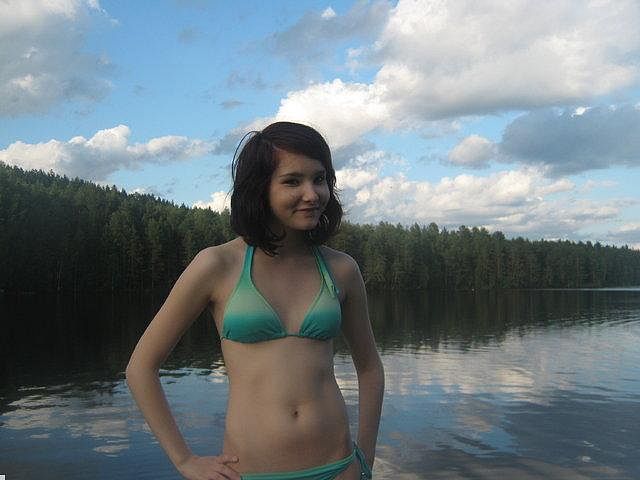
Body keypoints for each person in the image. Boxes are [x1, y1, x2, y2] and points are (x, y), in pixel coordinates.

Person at [126, 121, 385, 480]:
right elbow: (140, 368)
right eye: (292, 181)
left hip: (338, 468)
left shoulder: (341, 269)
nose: (312, 194)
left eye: (320, 179)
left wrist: (365, 458)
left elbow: (369, 367)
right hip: (249, 472)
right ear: (259, 187)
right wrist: (185, 460)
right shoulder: (217, 265)